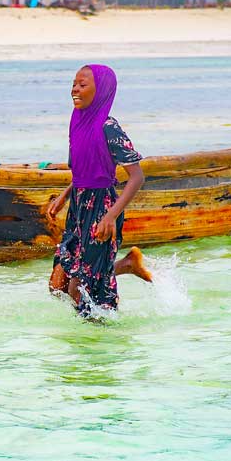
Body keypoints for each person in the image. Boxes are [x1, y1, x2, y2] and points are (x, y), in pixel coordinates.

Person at [46, 64, 151, 317]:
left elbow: (137, 177)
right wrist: (65, 195)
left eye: (82, 85)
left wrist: (111, 216)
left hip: (101, 206)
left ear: (101, 90)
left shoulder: (108, 127)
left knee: (80, 288)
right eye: (73, 84)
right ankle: (126, 265)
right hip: (78, 206)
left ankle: (97, 347)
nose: (75, 90)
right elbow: (85, 169)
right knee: (57, 285)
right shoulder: (77, 121)